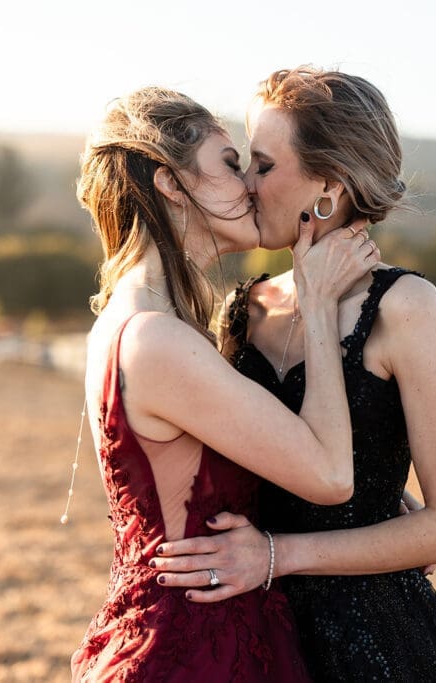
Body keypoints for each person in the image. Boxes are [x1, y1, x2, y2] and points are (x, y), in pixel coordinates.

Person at [151, 67, 436, 682]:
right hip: (249, 630)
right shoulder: (242, 309)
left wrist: (277, 554)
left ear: (329, 184)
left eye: (262, 165)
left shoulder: (407, 308)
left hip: (373, 643)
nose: (246, 185)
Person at [68, 86, 379, 682]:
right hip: (193, 651)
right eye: (232, 164)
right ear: (170, 183)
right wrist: (317, 305)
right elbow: (329, 476)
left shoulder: (144, 321)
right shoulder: (156, 338)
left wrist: (381, 497)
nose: (250, 186)